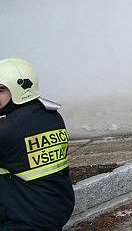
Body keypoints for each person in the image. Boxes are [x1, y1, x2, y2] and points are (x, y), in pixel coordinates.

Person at [0, 58, 75, 230]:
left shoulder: (8, 130)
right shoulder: (51, 115)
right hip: (58, 206)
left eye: (0, 90)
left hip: (25, 219)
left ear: (18, 89)